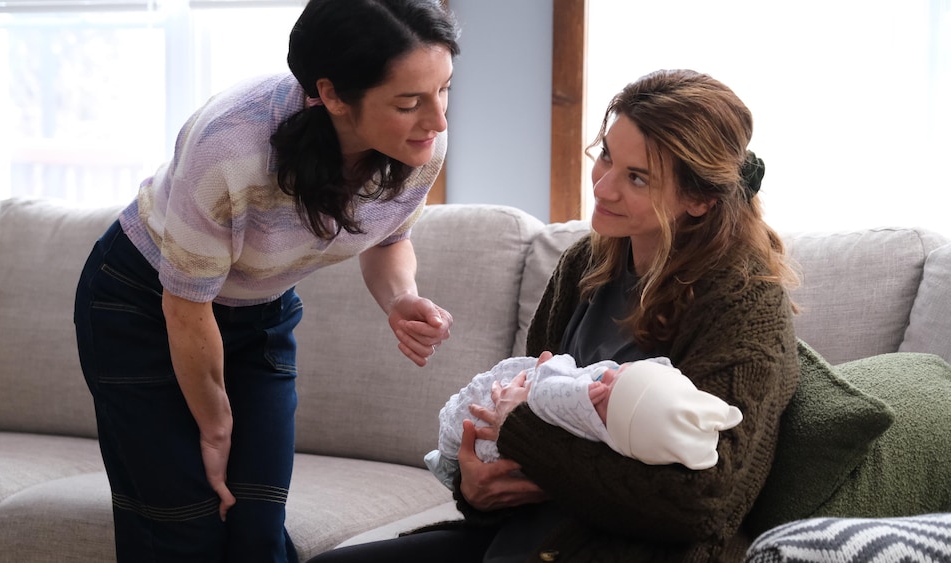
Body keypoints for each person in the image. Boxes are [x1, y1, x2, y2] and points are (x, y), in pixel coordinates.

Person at [307, 68, 801, 563]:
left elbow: (703, 504)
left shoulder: (745, 302)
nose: (603, 187)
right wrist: (477, 488)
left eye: (637, 177)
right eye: (607, 154)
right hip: (527, 533)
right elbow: (530, 404)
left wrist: (523, 437)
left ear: (699, 199)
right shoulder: (586, 264)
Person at [72, 1, 459, 561]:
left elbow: (388, 238)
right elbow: (185, 308)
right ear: (331, 95)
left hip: (258, 311)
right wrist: (214, 427)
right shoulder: (231, 146)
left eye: (444, 89)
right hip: (141, 305)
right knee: (183, 528)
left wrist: (400, 299)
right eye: (409, 102)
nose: (439, 119)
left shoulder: (419, 144)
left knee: (258, 525)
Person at [425, 354, 743, 489]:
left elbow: (544, 379)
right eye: (620, 371)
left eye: (606, 396)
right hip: (491, 501)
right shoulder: (580, 265)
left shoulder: (582, 405)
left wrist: (556, 371)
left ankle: (447, 462)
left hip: (485, 448)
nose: (606, 375)